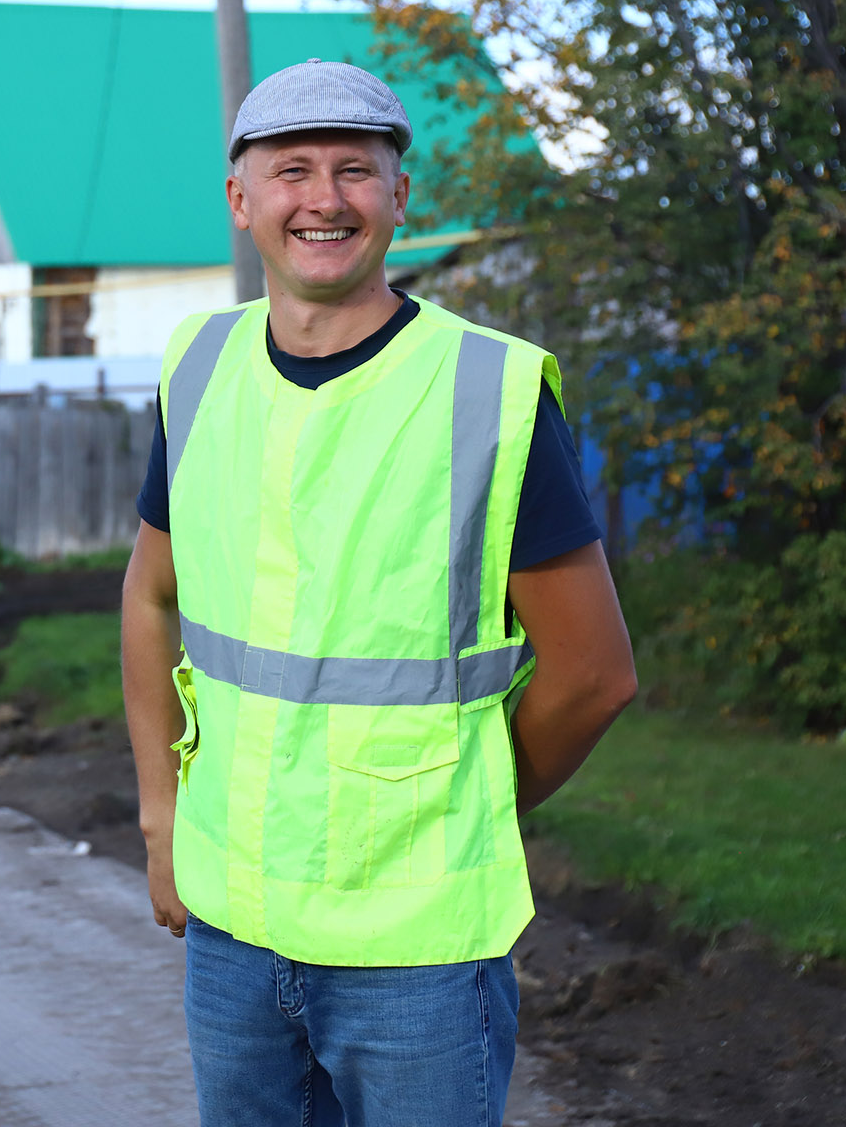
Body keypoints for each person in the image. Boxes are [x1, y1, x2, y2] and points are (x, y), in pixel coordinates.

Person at [120, 60, 637, 1126]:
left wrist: (472, 803)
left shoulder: (486, 390)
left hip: (415, 948)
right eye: (292, 170)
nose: (324, 198)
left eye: (356, 170)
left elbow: (593, 674)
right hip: (231, 928)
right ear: (240, 200)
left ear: (401, 197)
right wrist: (162, 818)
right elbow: (148, 593)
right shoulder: (200, 364)